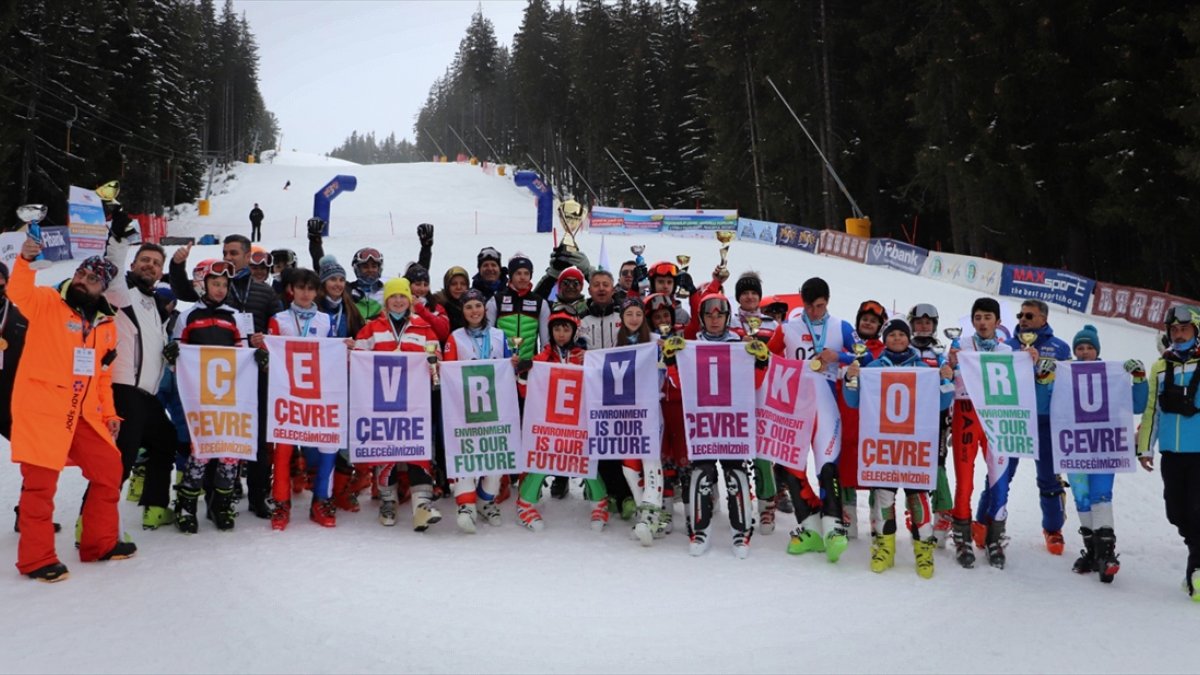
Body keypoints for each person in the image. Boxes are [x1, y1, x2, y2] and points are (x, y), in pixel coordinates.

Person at [10, 241, 134, 582]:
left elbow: (103, 375)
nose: (82, 280)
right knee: (39, 487)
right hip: (43, 411)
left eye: (92, 279)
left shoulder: (107, 324)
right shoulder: (48, 301)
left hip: (83, 413)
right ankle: (36, 559)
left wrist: (110, 415)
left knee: (109, 470)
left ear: (103, 288)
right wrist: (25, 260)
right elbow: (19, 292)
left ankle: (99, 543)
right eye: (81, 273)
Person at [170, 235, 282, 519]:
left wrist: (263, 347)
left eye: (233, 253)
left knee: (249, 437)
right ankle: (207, 499)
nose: (228, 257)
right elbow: (184, 292)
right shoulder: (208, 290)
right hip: (206, 384)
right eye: (225, 252)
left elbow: (278, 326)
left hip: (247, 377)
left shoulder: (264, 291)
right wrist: (177, 266)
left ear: (247, 255)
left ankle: (254, 496)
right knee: (209, 441)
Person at [844, 319, 954, 578]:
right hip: (884, 445)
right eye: (891, 334)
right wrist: (851, 378)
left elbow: (942, 403)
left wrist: (946, 380)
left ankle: (923, 550)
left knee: (918, 498)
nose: (896, 338)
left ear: (908, 338)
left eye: (901, 334)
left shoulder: (923, 368)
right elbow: (852, 401)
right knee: (884, 497)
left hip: (914, 445)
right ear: (885, 339)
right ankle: (885, 548)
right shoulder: (873, 367)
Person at [672, 292, 767, 558]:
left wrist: (761, 362)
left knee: (736, 473)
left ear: (727, 317)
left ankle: (741, 531)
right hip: (703, 419)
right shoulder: (692, 346)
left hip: (731, 421)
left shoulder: (741, 345)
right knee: (701, 473)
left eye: (720, 315)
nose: (715, 320)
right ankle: (699, 529)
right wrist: (671, 361)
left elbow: (756, 384)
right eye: (709, 315)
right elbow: (679, 385)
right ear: (701, 318)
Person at [766, 277, 854, 561]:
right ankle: (811, 528)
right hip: (795, 408)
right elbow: (765, 358)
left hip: (827, 407)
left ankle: (834, 529)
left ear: (827, 301)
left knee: (827, 467)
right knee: (790, 468)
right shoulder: (787, 328)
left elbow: (863, 358)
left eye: (820, 306)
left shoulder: (841, 327)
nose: (815, 312)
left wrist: (838, 356)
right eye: (809, 306)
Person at [103, 212, 177, 530]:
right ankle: (92, 524)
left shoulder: (153, 304)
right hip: (123, 390)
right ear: (133, 265)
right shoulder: (122, 292)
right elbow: (112, 266)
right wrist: (118, 238)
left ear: (161, 272)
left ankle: (155, 507)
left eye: (156, 263)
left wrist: (169, 355)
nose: (150, 265)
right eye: (144, 260)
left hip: (146, 396)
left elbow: (148, 347)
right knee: (120, 460)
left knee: (165, 440)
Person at [354, 277, 443, 532]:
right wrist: (353, 353)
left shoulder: (423, 327)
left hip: (415, 402)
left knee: (417, 448)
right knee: (386, 449)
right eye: (393, 296)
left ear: (410, 300)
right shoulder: (373, 328)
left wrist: (434, 362)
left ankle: (421, 506)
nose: (398, 300)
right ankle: (388, 501)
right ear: (386, 300)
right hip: (381, 401)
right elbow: (358, 359)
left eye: (402, 296)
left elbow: (437, 356)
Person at [513, 310, 609, 532]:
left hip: (579, 419)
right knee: (542, 456)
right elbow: (526, 391)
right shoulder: (542, 358)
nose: (561, 334)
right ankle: (525, 502)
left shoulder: (584, 355)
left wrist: (592, 363)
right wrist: (523, 373)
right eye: (557, 329)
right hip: (549, 419)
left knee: (585, 456)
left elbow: (600, 385)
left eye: (566, 329)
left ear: (574, 331)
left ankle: (599, 500)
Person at [167, 260, 244, 532]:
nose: (221, 289)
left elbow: (244, 355)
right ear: (202, 284)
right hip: (198, 398)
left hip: (229, 398)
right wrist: (172, 354)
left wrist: (258, 357)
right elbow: (176, 359)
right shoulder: (188, 317)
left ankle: (220, 504)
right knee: (200, 452)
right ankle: (186, 505)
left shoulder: (235, 317)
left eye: (224, 284)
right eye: (215, 283)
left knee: (229, 453)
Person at [1068, 324, 1147, 583]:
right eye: (1080, 348)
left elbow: (1137, 405)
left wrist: (1139, 379)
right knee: (1082, 497)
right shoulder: (1066, 374)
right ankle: (1093, 552)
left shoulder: (1111, 375)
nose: (1084, 352)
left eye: (1089, 347)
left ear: (1097, 350)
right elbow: (1046, 406)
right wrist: (1044, 381)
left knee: (1101, 495)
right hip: (1075, 447)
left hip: (1103, 446)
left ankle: (1106, 554)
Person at [264, 269, 337, 530]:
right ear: (291, 290)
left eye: (310, 288)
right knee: (283, 450)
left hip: (319, 395)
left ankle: (321, 501)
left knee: (328, 446)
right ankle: (281, 503)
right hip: (287, 394)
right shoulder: (279, 319)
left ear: (317, 292)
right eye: (300, 288)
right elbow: (269, 356)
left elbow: (333, 354)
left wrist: (346, 348)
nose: (306, 293)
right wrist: (261, 346)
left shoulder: (326, 320)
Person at [947, 297, 1016, 569]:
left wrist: (1031, 363)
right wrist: (949, 365)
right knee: (964, 481)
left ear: (998, 322)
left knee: (999, 480)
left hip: (996, 419)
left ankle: (994, 537)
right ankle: (962, 536)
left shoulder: (1007, 350)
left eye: (988, 317)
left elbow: (1020, 383)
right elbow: (948, 377)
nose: (983, 322)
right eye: (978, 318)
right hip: (966, 415)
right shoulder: (961, 345)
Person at [1137, 305, 1200, 601]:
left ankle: (1196, 572)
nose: (1178, 334)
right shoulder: (1160, 367)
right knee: (1176, 512)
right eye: (1174, 330)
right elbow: (1152, 409)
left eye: (1184, 329)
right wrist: (1145, 447)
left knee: (1197, 510)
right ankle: (1196, 548)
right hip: (1172, 453)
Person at [443, 289, 513, 533]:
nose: (474, 311)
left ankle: (486, 500)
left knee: (495, 451)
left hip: (495, 405)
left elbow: (508, 368)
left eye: (478, 306)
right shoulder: (455, 337)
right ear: (462, 311)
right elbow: (448, 372)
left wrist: (513, 364)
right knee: (465, 451)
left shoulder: (499, 335)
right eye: (468, 307)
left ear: (485, 308)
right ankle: (465, 504)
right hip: (464, 406)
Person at [1014, 299, 1071, 555]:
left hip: (1046, 420)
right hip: (1014, 419)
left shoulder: (1059, 347)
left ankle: (1053, 529)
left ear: (1044, 319)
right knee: (1000, 475)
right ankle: (988, 522)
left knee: (1048, 478)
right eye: (1021, 315)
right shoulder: (1009, 344)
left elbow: (1070, 385)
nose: (1023, 320)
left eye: (1029, 316)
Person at [907, 303, 955, 547]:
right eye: (919, 322)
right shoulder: (904, 348)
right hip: (909, 417)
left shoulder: (941, 351)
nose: (923, 326)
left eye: (928, 322)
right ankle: (915, 510)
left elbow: (954, 381)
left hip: (936, 416)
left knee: (937, 464)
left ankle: (943, 513)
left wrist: (950, 372)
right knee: (910, 463)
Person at [836, 300, 886, 540]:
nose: (868, 323)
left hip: (874, 422)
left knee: (876, 468)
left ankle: (878, 520)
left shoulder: (884, 350)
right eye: (864, 319)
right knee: (846, 468)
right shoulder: (845, 347)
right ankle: (848, 520)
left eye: (873, 321)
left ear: (880, 325)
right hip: (847, 417)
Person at [433, 266, 471, 332]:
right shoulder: (436, 305)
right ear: (447, 286)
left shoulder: (474, 305)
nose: (458, 287)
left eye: (463, 284)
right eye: (454, 284)